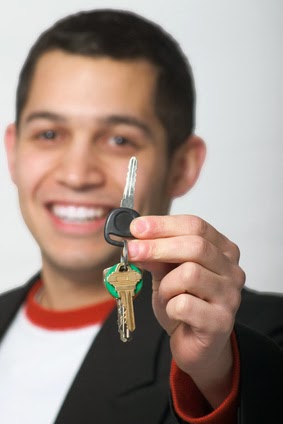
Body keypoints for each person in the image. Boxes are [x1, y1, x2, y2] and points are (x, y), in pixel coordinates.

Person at [0, 8, 282, 424]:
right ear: (14, 150)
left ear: (182, 165)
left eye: (119, 139)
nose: (77, 175)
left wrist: (215, 379)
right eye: (49, 134)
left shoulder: (254, 340)